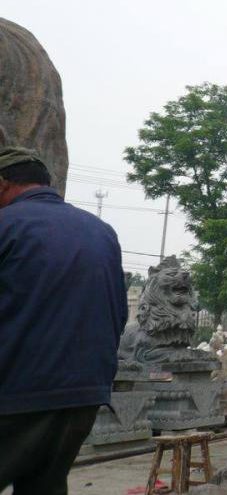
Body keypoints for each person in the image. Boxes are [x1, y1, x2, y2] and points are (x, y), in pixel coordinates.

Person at [0, 147, 127, 494]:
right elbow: (119, 312)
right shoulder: (101, 232)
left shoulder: (6, 226)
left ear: (3, 184)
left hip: (18, 395)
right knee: (45, 486)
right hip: (83, 396)